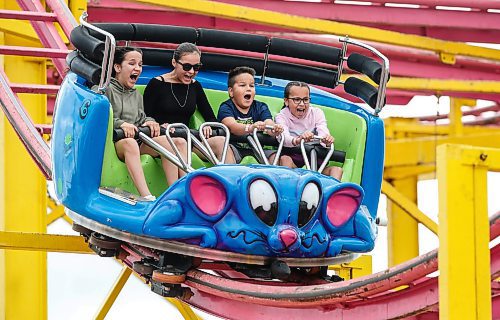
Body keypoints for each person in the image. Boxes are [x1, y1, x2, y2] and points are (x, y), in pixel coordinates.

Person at [105, 46, 187, 200]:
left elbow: (142, 118)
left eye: (140, 65)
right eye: (132, 63)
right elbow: (101, 118)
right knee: (129, 143)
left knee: (172, 141)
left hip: (137, 141)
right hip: (117, 143)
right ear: (117, 67)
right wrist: (121, 124)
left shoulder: (136, 95)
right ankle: (146, 196)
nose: (137, 68)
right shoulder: (105, 90)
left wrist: (151, 122)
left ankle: (177, 192)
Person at [144, 42, 235, 164]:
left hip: (187, 139)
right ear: (174, 63)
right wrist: (158, 125)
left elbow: (211, 118)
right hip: (161, 138)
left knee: (221, 142)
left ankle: (230, 180)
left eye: (196, 67)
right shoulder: (156, 84)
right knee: (179, 144)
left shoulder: (195, 86)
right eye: (187, 67)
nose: (191, 72)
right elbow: (145, 116)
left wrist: (208, 125)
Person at [275, 81, 343, 180]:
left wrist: (326, 140)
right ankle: (288, 189)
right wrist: (298, 140)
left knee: (337, 170)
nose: (302, 104)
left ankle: (329, 194)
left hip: (314, 160)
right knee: (285, 159)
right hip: (295, 159)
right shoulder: (282, 116)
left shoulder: (316, 113)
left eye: (305, 100)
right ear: (286, 101)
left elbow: (323, 130)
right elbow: (284, 138)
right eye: (297, 100)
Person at [217, 66, 284, 164]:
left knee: (275, 156)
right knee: (226, 150)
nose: (248, 89)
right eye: (242, 85)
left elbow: (268, 123)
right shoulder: (226, 107)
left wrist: (274, 129)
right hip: (235, 148)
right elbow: (232, 126)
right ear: (231, 91)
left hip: (258, 149)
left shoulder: (261, 107)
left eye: (252, 86)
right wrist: (251, 127)